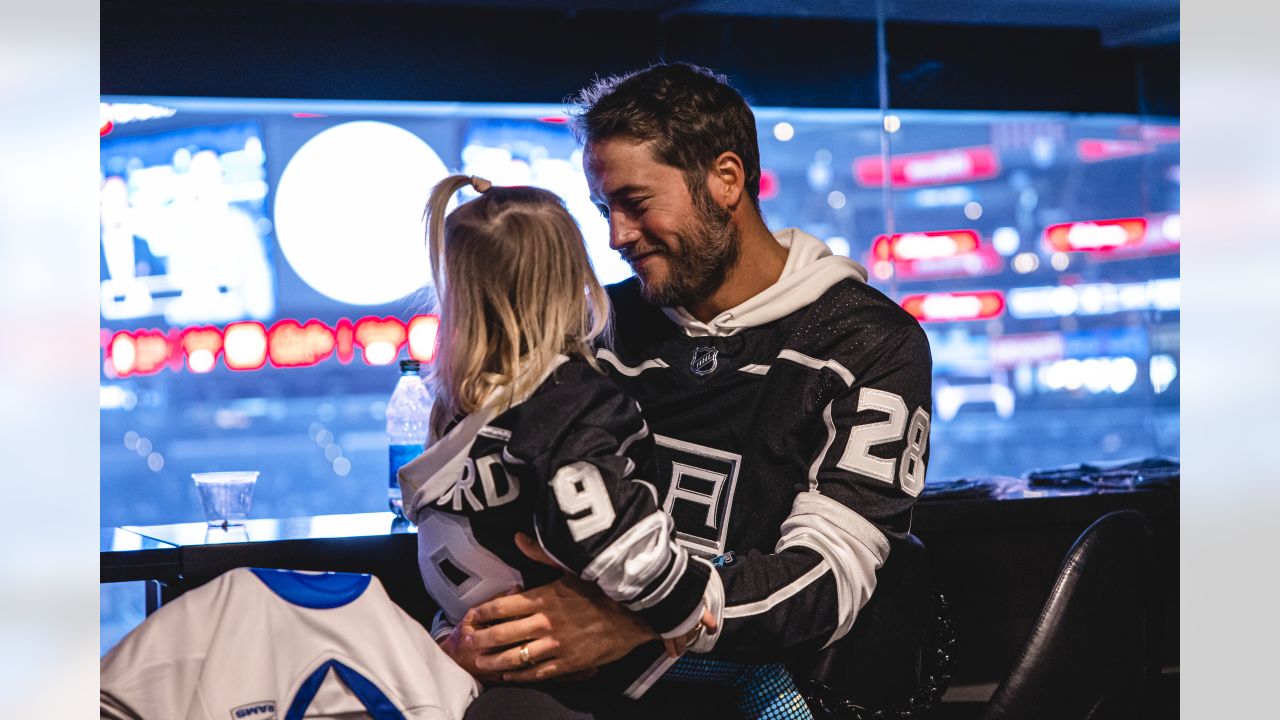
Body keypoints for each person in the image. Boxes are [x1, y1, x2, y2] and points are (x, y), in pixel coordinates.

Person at [447, 62, 937, 719]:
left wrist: (650, 619)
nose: (616, 236)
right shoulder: (595, 329)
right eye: (603, 209)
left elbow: (828, 581)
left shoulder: (868, 344)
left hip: (764, 691)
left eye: (636, 203)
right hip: (597, 689)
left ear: (726, 180)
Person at [400, 174, 816, 719]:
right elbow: (605, 530)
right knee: (764, 670)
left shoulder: (457, 409)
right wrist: (682, 604)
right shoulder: (568, 399)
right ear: (570, 278)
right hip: (569, 640)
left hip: (476, 628)